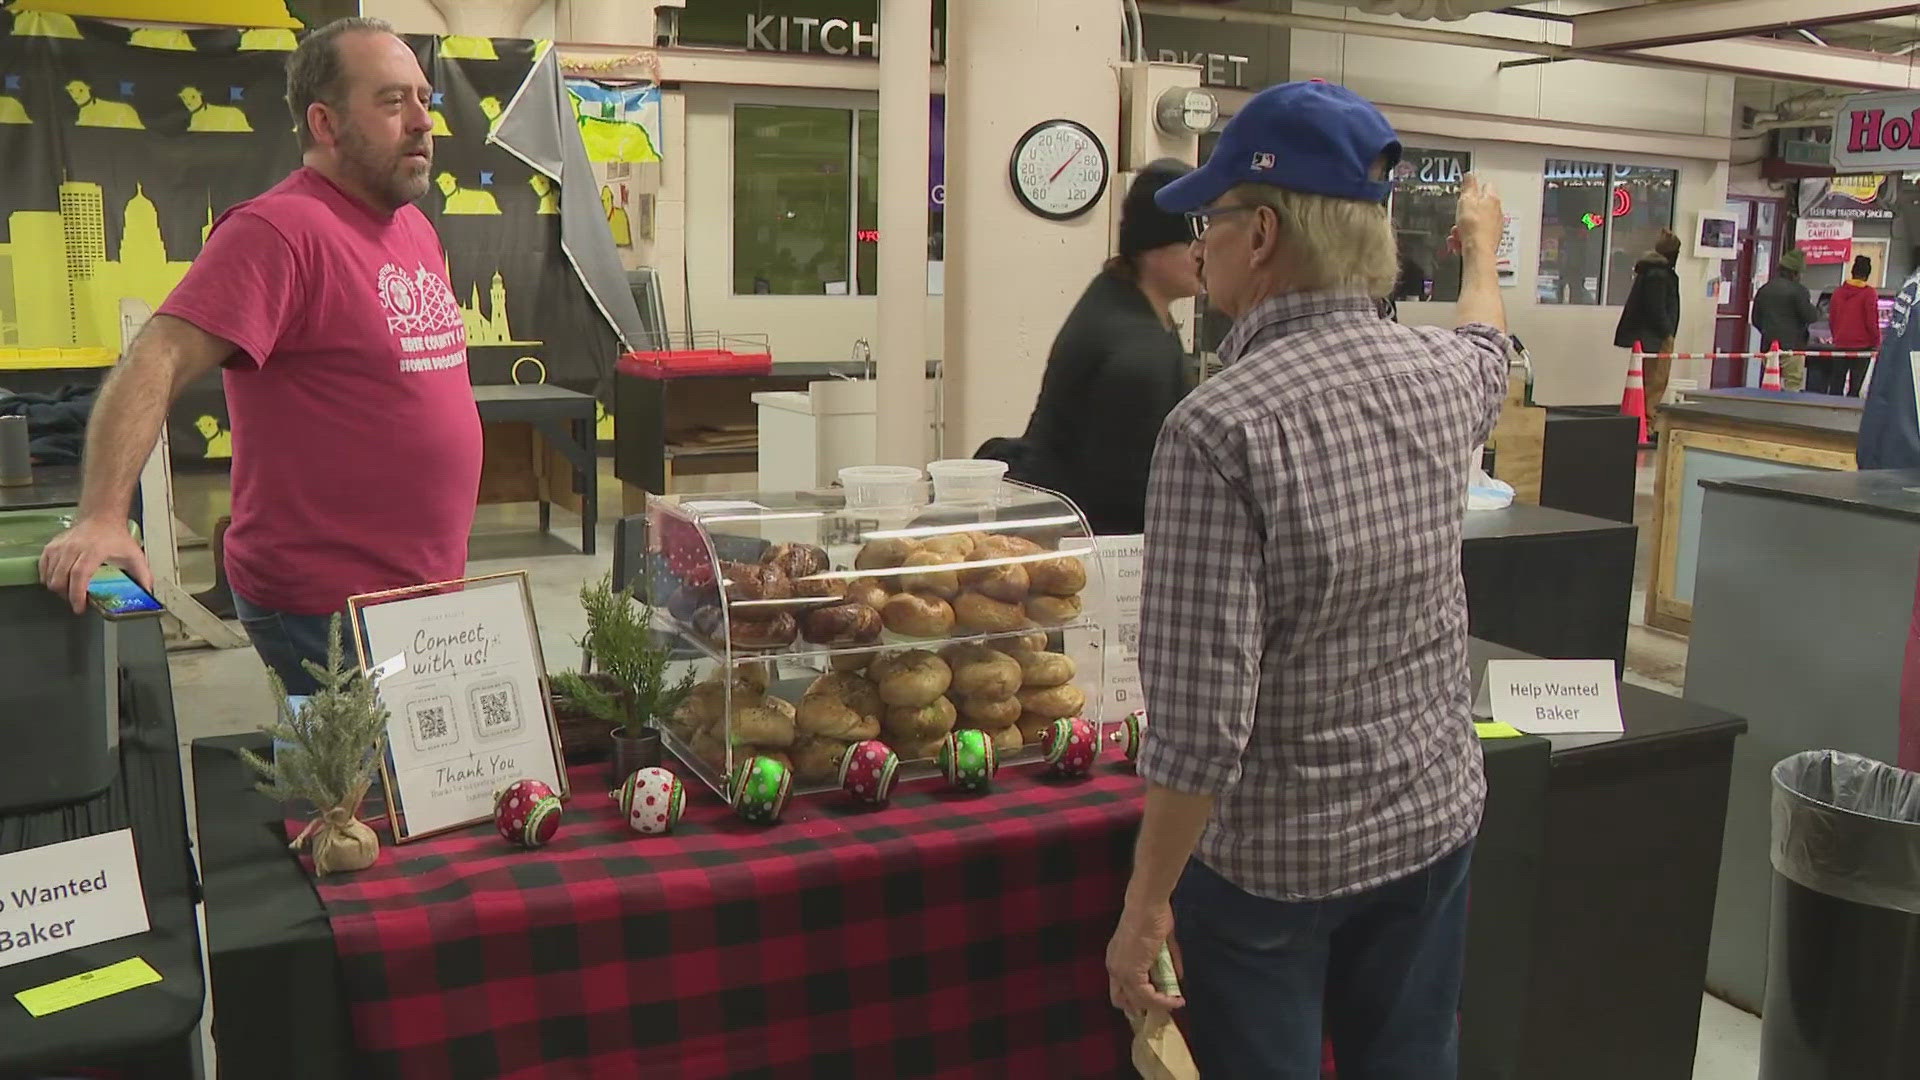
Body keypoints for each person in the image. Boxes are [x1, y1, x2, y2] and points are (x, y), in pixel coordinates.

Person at [1104, 81, 1507, 1079]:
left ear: (1266, 233)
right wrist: (1484, 249)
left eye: (1214, 217)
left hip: (1279, 872)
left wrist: (1146, 901)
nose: (1198, 243)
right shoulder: (1443, 377)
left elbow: (1203, 720)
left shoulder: (1218, 429)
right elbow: (1494, 342)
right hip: (1433, 823)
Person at [40, 17, 480, 695]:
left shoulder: (412, 226)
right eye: (393, 103)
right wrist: (102, 515)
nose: (423, 122)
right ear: (326, 125)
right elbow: (155, 356)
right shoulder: (278, 231)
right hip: (325, 608)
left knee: (400, 785)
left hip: (420, 593)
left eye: (426, 99)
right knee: (341, 787)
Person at [1003, 159, 1200, 535]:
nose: (1202, 252)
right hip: (1094, 542)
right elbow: (1133, 494)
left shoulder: (1117, 293)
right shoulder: (1135, 349)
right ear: (1152, 247)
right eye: (1191, 240)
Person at [1612, 229, 1682, 413]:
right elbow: (1656, 308)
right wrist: (1667, 332)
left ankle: (1640, 418)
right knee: (1655, 381)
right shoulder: (1659, 275)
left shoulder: (1648, 272)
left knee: (1645, 381)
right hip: (1656, 337)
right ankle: (1647, 420)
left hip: (1647, 335)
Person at [1752, 248, 1819, 391]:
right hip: (1792, 348)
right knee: (1792, 386)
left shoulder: (1765, 289)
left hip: (1769, 347)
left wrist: (1768, 331)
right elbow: (1810, 316)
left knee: (1769, 385)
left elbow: (1755, 319)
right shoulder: (1799, 291)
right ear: (1795, 273)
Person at [1821, 254, 1881, 396]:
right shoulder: (1869, 294)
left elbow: (1832, 319)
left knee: (1836, 383)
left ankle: (1831, 411)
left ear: (1852, 272)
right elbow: (1872, 322)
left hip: (1840, 344)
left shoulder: (1838, 292)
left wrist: (1837, 336)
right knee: (1855, 387)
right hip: (1862, 347)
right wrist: (1876, 342)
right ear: (1867, 274)